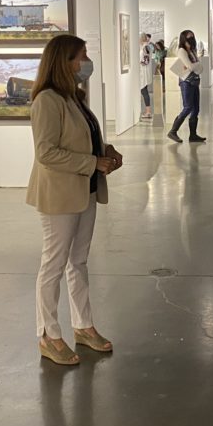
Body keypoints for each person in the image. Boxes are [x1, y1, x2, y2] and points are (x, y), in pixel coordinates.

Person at [26, 34, 123, 366]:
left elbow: (83, 139)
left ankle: (83, 326)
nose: (86, 62)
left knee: (77, 262)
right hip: (60, 194)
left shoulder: (75, 97)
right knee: (53, 264)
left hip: (86, 190)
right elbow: (46, 153)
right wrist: (92, 163)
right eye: (81, 56)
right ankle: (48, 335)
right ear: (64, 61)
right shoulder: (46, 101)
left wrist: (105, 153)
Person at [167, 29, 205, 143]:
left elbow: (199, 68)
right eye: (189, 37)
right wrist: (196, 65)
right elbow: (192, 67)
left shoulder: (192, 50)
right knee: (188, 107)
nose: (191, 39)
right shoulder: (182, 51)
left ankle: (193, 135)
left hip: (194, 81)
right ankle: (173, 131)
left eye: (192, 36)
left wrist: (195, 66)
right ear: (183, 39)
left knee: (196, 109)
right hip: (186, 82)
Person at [139, 33, 156, 120]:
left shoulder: (145, 47)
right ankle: (148, 111)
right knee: (144, 91)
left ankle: (148, 111)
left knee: (144, 91)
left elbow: (145, 61)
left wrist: (138, 62)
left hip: (144, 72)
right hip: (145, 72)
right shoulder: (147, 47)